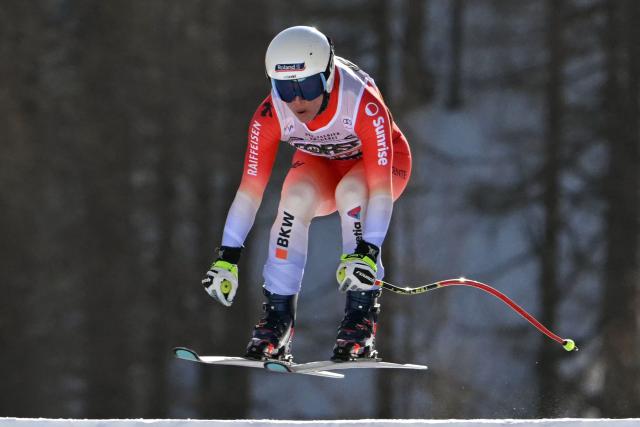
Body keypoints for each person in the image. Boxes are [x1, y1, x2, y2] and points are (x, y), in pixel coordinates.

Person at [202, 26, 412, 362]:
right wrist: (226, 257)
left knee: (352, 192)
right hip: (321, 162)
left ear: (327, 77)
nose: (297, 100)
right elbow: (249, 191)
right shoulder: (270, 115)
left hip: (380, 166)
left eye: (308, 86)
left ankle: (360, 322)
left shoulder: (360, 102)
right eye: (285, 88)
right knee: (294, 198)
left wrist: (368, 251)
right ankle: (277, 322)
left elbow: (381, 191)